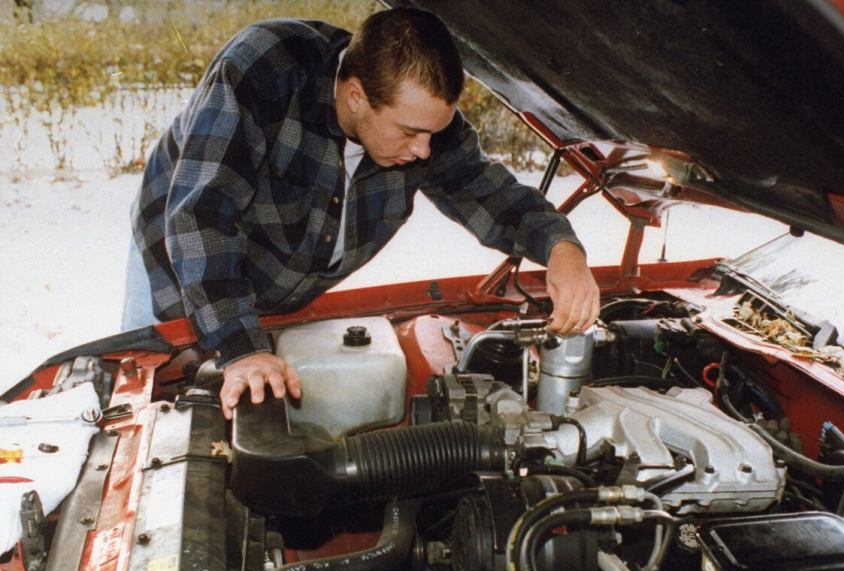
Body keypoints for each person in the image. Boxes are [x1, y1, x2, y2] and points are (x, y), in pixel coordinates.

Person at [124, 8, 600, 420]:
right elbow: (202, 217)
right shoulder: (264, 69)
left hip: (284, 287)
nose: (424, 150)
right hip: (182, 265)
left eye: (433, 134)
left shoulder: (420, 123)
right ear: (356, 97)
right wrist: (241, 347)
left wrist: (561, 249)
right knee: (165, 413)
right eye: (409, 133)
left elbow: (488, 192)